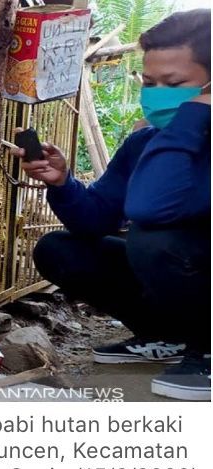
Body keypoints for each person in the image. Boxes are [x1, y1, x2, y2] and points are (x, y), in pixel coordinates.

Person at [13, 9, 211, 401]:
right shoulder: (144, 143)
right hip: (184, 269)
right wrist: (63, 183)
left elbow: (151, 209)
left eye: (173, 84)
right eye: (150, 82)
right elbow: (95, 219)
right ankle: (167, 336)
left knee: (154, 239)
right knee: (61, 249)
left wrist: (195, 117)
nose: (156, 95)